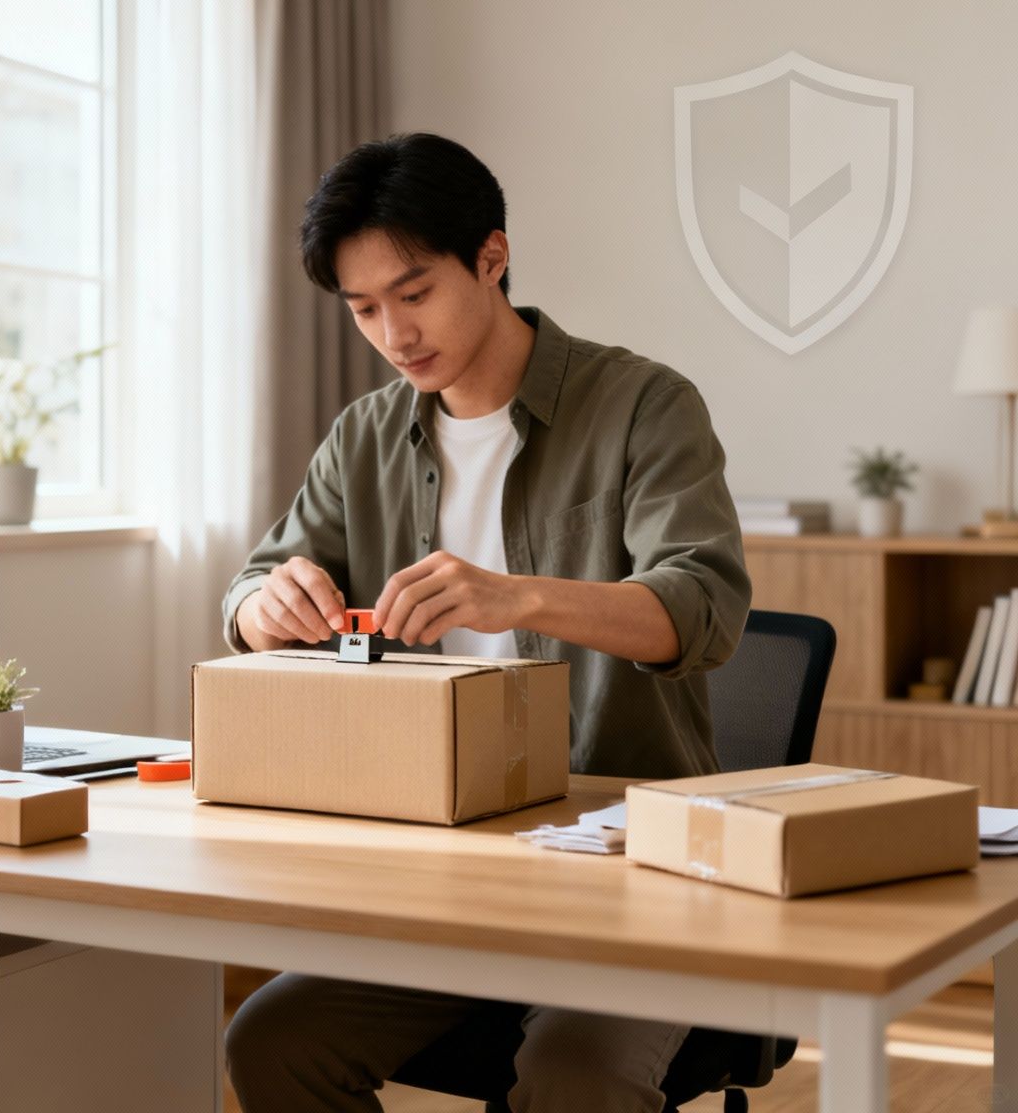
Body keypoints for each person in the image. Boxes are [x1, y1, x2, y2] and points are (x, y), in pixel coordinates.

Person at [219, 132, 751, 1112]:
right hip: (443, 868)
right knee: (270, 1040)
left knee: (571, 1078)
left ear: (491, 258)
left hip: (629, 867)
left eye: (412, 294)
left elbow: (704, 606)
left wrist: (521, 592)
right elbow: (250, 586)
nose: (391, 331)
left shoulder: (641, 405)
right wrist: (264, 607)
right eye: (363, 309)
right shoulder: (363, 435)